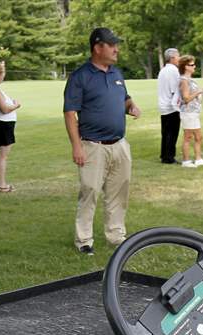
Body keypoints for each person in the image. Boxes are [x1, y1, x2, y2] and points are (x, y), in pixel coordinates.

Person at [62, 27, 141, 254]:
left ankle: (116, 236)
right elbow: (70, 113)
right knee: (90, 191)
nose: (116, 49)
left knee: (119, 191)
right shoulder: (80, 76)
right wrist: (76, 146)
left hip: (119, 144)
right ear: (98, 47)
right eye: (111, 44)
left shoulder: (116, 74)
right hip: (92, 146)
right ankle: (84, 240)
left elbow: (125, 98)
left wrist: (131, 106)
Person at [0, 59, 21, 191]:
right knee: (3, 156)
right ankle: (1, 184)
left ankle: (1, 183)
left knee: (3, 155)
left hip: (3, 124)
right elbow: (4, 109)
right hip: (2, 125)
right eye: (2, 72)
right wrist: (16, 105)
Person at [177, 55, 203, 167]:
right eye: (192, 65)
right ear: (185, 67)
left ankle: (198, 159)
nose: (194, 66)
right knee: (188, 137)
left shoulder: (190, 80)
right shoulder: (184, 81)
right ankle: (186, 161)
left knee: (198, 137)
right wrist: (198, 92)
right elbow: (186, 98)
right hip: (188, 113)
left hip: (194, 113)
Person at [157, 48, 181, 164]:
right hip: (171, 106)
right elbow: (174, 90)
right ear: (172, 58)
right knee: (172, 133)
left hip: (163, 105)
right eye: (178, 56)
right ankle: (169, 157)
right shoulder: (173, 71)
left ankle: (164, 154)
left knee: (166, 132)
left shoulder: (163, 70)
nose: (179, 58)